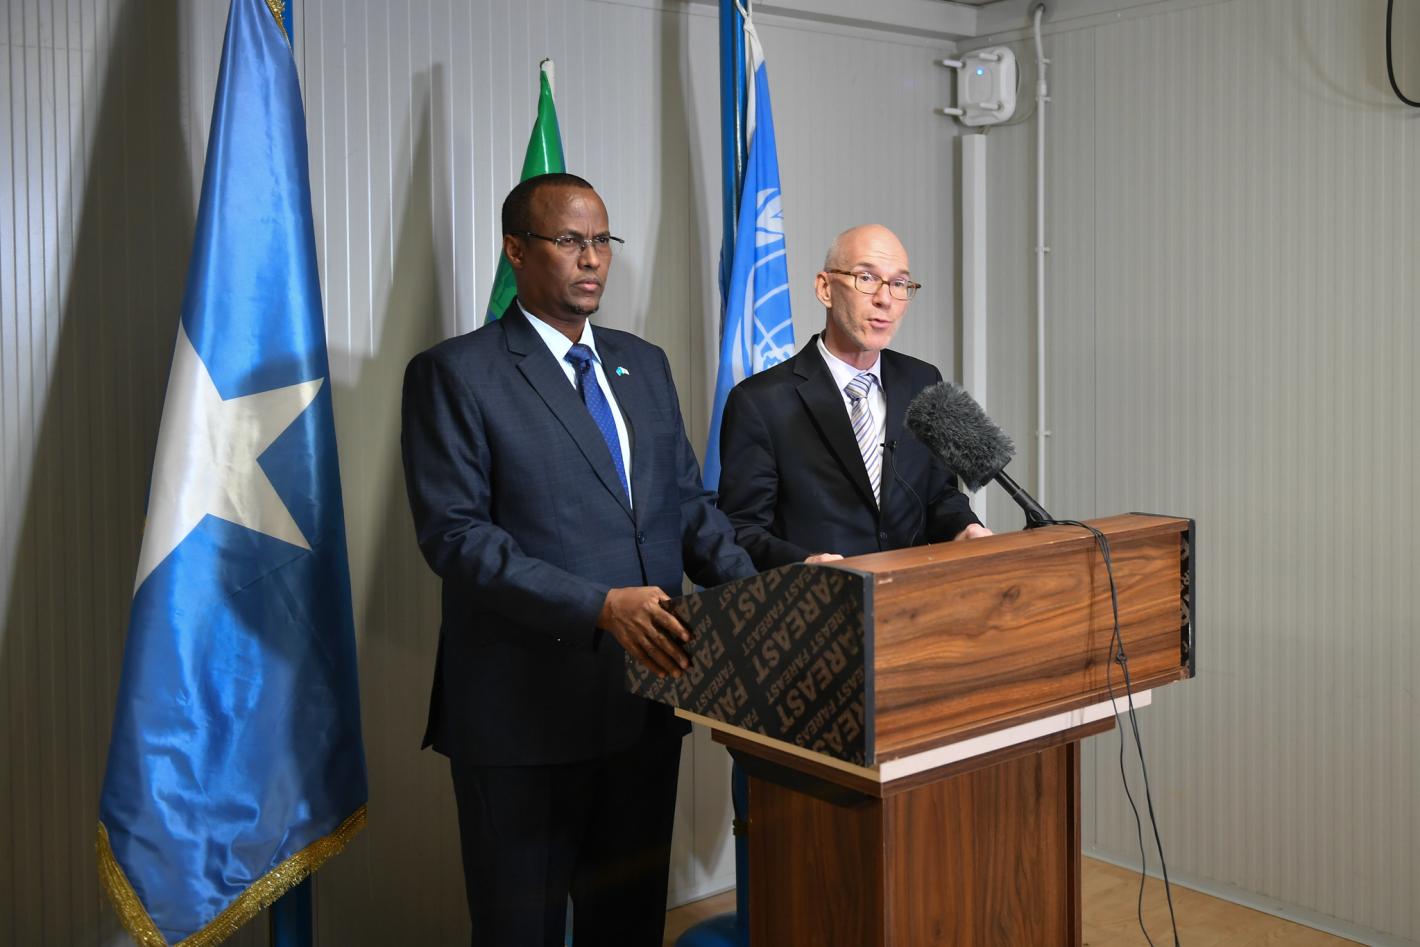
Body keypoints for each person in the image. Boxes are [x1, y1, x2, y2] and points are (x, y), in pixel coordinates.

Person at [400, 172, 756, 946]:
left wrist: (766, 597)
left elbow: (687, 506)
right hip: (522, 719)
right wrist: (599, 605)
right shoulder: (456, 373)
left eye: (601, 240)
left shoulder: (643, 364)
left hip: (642, 707)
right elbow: (456, 537)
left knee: (627, 927)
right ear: (516, 250)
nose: (591, 258)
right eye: (568, 240)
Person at [717, 224, 992, 569]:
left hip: (912, 590)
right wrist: (806, 563)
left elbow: (939, 495)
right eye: (867, 278)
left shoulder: (922, 381)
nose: (885, 299)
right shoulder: (760, 401)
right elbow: (742, 529)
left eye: (899, 283)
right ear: (825, 289)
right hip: (821, 596)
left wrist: (964, 528)